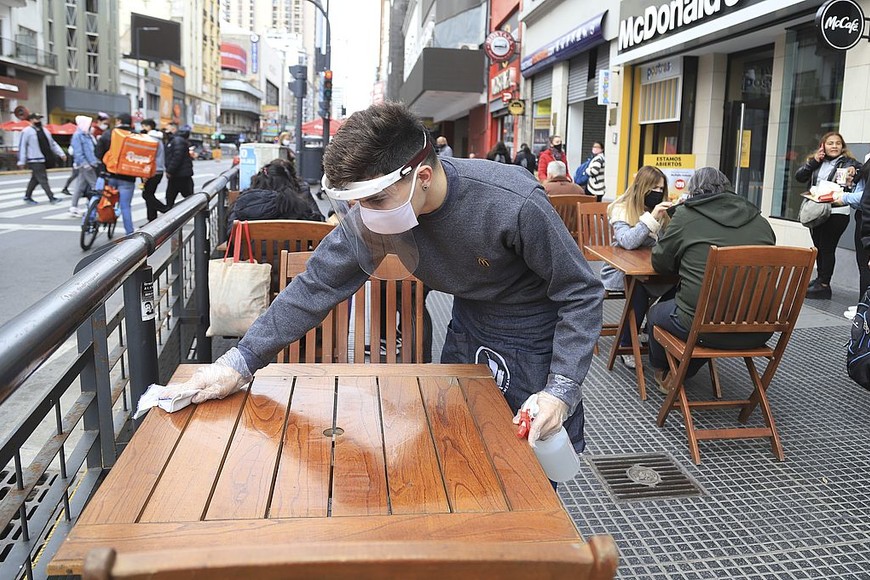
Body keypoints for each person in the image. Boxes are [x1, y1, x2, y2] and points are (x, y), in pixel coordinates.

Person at [176, 101, 603, 456]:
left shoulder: (510, 202)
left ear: (422, 177)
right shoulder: (376, 217)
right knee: (459, 444)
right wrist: (241, 361)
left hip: (536, 333)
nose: (368, 214)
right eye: (358, 203)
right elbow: (315, 285)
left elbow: (580, 291)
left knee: (533, 459)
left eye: (376, 199)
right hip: (470, 324)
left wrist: (561, 388)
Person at [648, 168, 776, 393]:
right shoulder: (760, 221)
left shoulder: (686, 217)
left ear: (693, 192)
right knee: (703, 316)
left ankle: (666, 373)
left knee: (656, 315)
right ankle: (681, 371)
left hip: (705, 329)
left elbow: (661, 263)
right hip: (759, 329)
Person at [601, 166, 673, 369]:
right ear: (643, 188)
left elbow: (667, 242)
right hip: (620, 272)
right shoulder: (622, 208)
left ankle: (655, 331)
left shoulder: (661, 209)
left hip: (653, 269)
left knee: (679, 285)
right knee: (638, 287)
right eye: (654, 188)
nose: (658, 192)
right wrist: (651, 219)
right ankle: (626, 343)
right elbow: (627, 241)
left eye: (661, 188)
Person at [795, 132, 861, 299]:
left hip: (837, 211)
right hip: (817, 211)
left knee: (827, 247)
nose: (834, 146)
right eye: (830, 143)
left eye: (837, 143)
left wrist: (855, 170)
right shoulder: (817, 161)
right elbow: (800, 177)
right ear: (823, 146)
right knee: (818, 247)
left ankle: (824, 285)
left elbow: (861, 172)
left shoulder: (849, 162)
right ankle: (819, 279)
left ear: (842, 146)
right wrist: (814, 161)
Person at [227, 157, 324, 228]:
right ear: (287, 181)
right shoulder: (297, 204)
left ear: (257, 180)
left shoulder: (242, 204)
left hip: (249, 255)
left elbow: (231, 237)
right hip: (290, 255)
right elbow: (315, 229)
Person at [95, 113, 137, 235]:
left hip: (109, 175)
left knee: (102, 199)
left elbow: (98, 153)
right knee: (125, 207)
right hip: (128, 178)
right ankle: (129, 234)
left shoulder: (109, 134)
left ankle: (92, 220)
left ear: (118, 121)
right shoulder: (136, 136)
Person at [17, 113, 67, 205]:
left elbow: (52, 143)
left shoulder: (45, 131)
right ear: (31, 120)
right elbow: (22, 146)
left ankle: (27, 196)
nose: (38, 121)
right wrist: (21, 161)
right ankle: (51, 197)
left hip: (44, 159)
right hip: (34, 159)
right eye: (36, 119)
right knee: (43, 178)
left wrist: (61, 153)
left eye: (40, 119)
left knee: (35, 179)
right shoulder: (27, 131)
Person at [68, 115, 98, 217]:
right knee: (95, 185)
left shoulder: (87, 135)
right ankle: (96, 208)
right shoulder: (78, 135)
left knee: (80, 186)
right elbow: (78, 152)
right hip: (85, 164)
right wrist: (85, 163)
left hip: (90, 164)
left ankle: (74, 207)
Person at [139, 119, 168, 222]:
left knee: (146, 194)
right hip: (157, 170)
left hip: (151, 170)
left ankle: (165, 209)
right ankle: (152, 219)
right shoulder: (158, 138)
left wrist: (145, 173)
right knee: (149, 194)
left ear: (148, 127)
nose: (141, 129)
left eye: (143, 126)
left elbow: (148, 156)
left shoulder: (151, 139)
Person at [164, 124, 195, 209]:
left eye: (167, 128)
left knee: (190, 199)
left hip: (181, 175)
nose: (165, 130)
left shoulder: (177, 140)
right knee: (171, 198)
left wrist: (169, 171)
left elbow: (177, 157)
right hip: (178, 175)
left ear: (174, 129)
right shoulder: (174, 140)